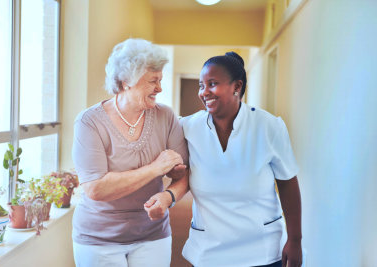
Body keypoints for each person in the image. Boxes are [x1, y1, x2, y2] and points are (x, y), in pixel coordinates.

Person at [72, 38, 189, 267]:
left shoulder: (165, 116)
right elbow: (96, 188)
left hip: (153, 234)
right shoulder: (89, 122)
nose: (160, 88)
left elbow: (182, 174)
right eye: (153, 81)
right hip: (98, 239)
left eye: (161, 80)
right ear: (126, 81)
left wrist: (168, 196)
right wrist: (156, 168)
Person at [180, 52, 302, 267]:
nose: (204, 92)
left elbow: (287, 182)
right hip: (208, 251)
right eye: (201, 85)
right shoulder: (187, 127)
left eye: (212, 84)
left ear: (237, 86)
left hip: (262, 251)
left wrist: (295, 240)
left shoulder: (269, 126)